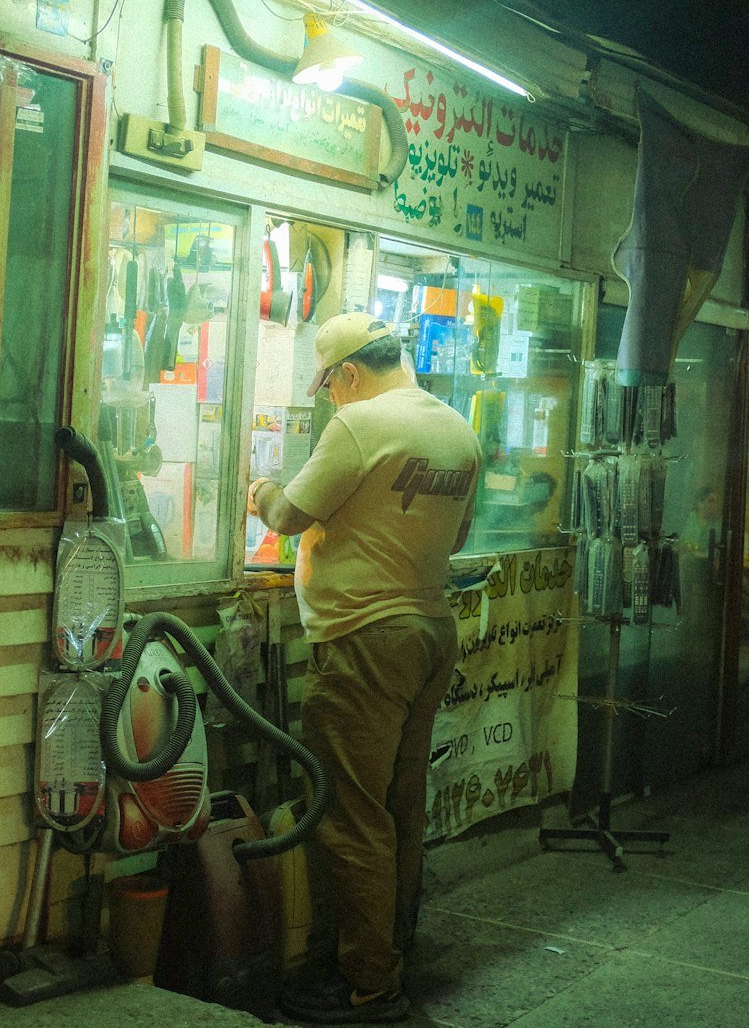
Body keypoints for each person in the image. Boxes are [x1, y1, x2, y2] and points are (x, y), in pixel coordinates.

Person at [247, 312, 482, 1024]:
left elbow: (289, 516)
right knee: (399, 808)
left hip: (363, 643)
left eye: (327, 385)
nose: (327, 399)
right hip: (428, 633)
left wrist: (258, 491)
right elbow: (459, 531)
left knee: (351, 817)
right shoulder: (457, 430)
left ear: (349, 373)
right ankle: (390, 955)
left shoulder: (359, 425)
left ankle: (370, 987)